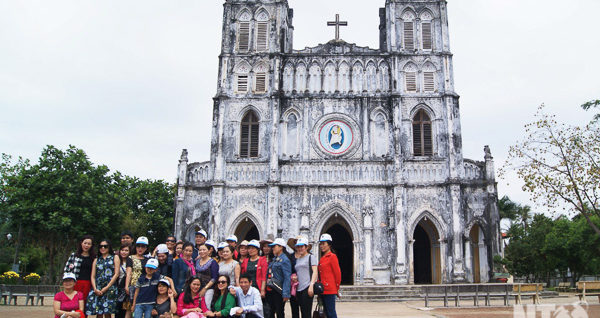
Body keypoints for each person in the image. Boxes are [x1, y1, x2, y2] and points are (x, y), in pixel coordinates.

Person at [86, 239, 120, 317]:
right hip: (98, 288)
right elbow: (93, 276)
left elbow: (116, 273)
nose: (103, 248)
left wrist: (107, 287)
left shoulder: (115, 257)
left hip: (110, 287)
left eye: (105, 246)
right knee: (99, 312)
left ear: (109, 247)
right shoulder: (96, 259)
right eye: (101, 246)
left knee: (108, 312)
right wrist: (95, 288)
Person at [289, 237, 317, 318]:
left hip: (307, 287)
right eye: (298, 247)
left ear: (306, 247)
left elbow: (315, 271)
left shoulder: (310, 257)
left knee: (306, 313)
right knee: (299, 311)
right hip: (298, 289)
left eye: (302, 246)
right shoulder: (298, 259)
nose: (300, 248)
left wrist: (311, 285)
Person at [64, 235, 95, 303]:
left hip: (88, 283)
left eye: (89, 244)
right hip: (75, 282)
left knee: (85, 303)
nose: (86, 245)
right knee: (74, 302)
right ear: (81, 243)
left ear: (92, 245)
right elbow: (66, 270)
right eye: (85, 243)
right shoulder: (74, 255)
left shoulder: (94, 258)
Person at [241, 240, 269, 318]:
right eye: (249, 248)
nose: (251, 250)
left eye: (253, 248)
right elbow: (243, 274)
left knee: (259, 309)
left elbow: (264, 276)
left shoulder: (262, 260)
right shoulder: (246, 261)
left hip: (258, 288)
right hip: (247, 288)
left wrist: (262, 290)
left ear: (257, 250)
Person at [126, 236, 152, 315]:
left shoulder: (148, 260)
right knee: (129, 309)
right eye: (138, 246)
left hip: (144, 287)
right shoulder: (130, 258)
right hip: (133, 285)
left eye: (143, 246)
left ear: (146, 248)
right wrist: (127, 285)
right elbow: (129, 272)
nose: (140, 248)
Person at [266, 238, 292, 318]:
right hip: (271, 288)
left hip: (279, 290)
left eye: (275, 246)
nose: (273, 248)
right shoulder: (274, 259)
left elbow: (287, 277)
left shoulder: (285, 260)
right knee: (270, 311)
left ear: (281, 247)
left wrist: (286, 293)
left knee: (279, 311)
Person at [317, 234, 341, 318]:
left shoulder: (332, 257)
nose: (321, 246)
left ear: (329, 245)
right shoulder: (323, 258)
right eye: (321, 244)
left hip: (330, 289)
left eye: (324, 243)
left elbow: (337, 274)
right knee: (325, 312)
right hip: (322, 289)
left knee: (331, 312)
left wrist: (336, 288)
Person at [195, 244, 219, 309]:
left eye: (204, 250)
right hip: (197, 287)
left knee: (206, 306)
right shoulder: (197, 261)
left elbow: (214, 278)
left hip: (209, 288)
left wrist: (205, 288)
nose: (202, 251)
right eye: (200, 250)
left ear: (209, 251)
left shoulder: (213, 262)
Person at [116, 245, 132, 318]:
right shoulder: (117, 261)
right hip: (117, 288)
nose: (124, 252)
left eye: (126, 250)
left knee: (125, 310)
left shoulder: (131, 261)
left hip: (126, 289)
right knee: (117, 310)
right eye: (122, 250)